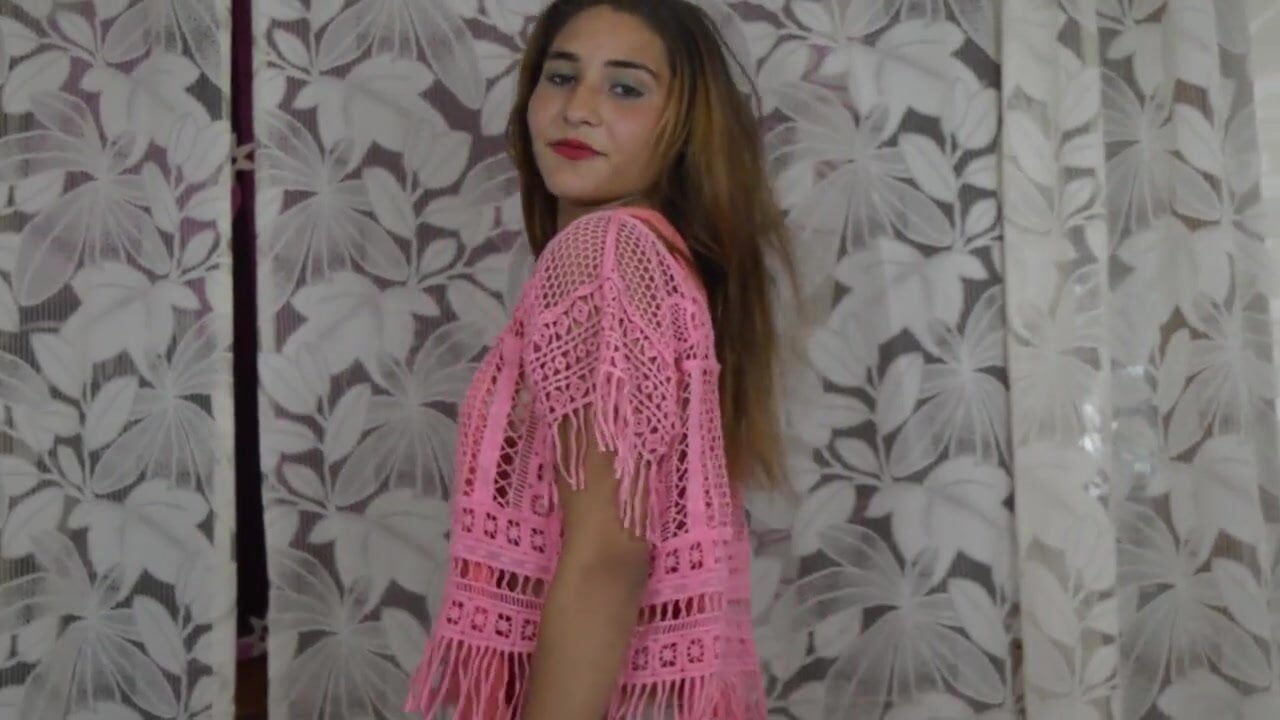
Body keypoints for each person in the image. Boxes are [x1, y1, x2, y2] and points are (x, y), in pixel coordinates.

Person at [404, 1, 795, 718]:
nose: (577, 109)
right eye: (560, 77)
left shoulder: (604, 254)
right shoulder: (661, 260)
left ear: (685, 125)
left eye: (625, 87)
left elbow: (609, 554)